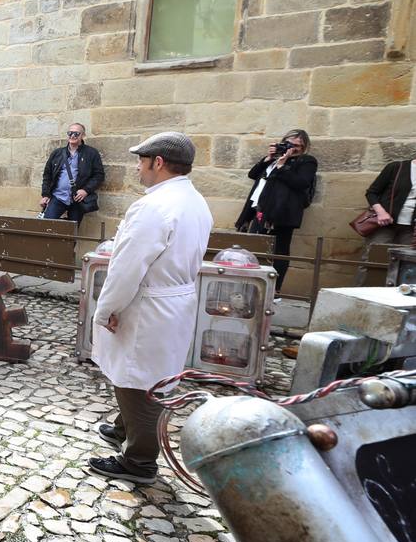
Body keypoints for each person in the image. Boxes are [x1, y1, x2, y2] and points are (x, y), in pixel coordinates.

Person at [90, 132, 212, 485]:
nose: (137, 168)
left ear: (157, 162)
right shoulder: (193, 200)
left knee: (138, 380)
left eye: (140, 161)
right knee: (145, 372)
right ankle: (122, 427)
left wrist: (107, 307)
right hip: (172, 299)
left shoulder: (154, 207)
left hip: (149, 303)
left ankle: (139, 460)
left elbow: (127, 265)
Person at [234, 129, 316, 291]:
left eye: (297, 146)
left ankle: (274, 290)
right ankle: (251, 287)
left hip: (281, 214)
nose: (293, 148)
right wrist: (269, 158)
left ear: (304, 147)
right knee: (254, 247)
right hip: (259, 211)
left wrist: (282, 166)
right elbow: (253, 174)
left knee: (279, 252)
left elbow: (302, 183)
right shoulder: (274, 159)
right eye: (289, 144)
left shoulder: (306, 161)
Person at [358, 158, 416, 281]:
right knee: (371, 261)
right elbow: (372, 193)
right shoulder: (396, 167)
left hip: (410, 230)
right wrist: (381, 212)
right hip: (385, 225)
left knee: (405, 266)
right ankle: (360, 297)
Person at [40, 123, 105, 225]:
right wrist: (45, 195)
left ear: (83, 135)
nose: (72, 136)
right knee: (46, 226)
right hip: (58, 197)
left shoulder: (91, 153)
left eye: (76, 133)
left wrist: (85, 190)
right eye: (70, 133)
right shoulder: (57, 153)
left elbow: (99, 175)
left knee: (72, 233)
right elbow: (47, 175)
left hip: (77, 200)